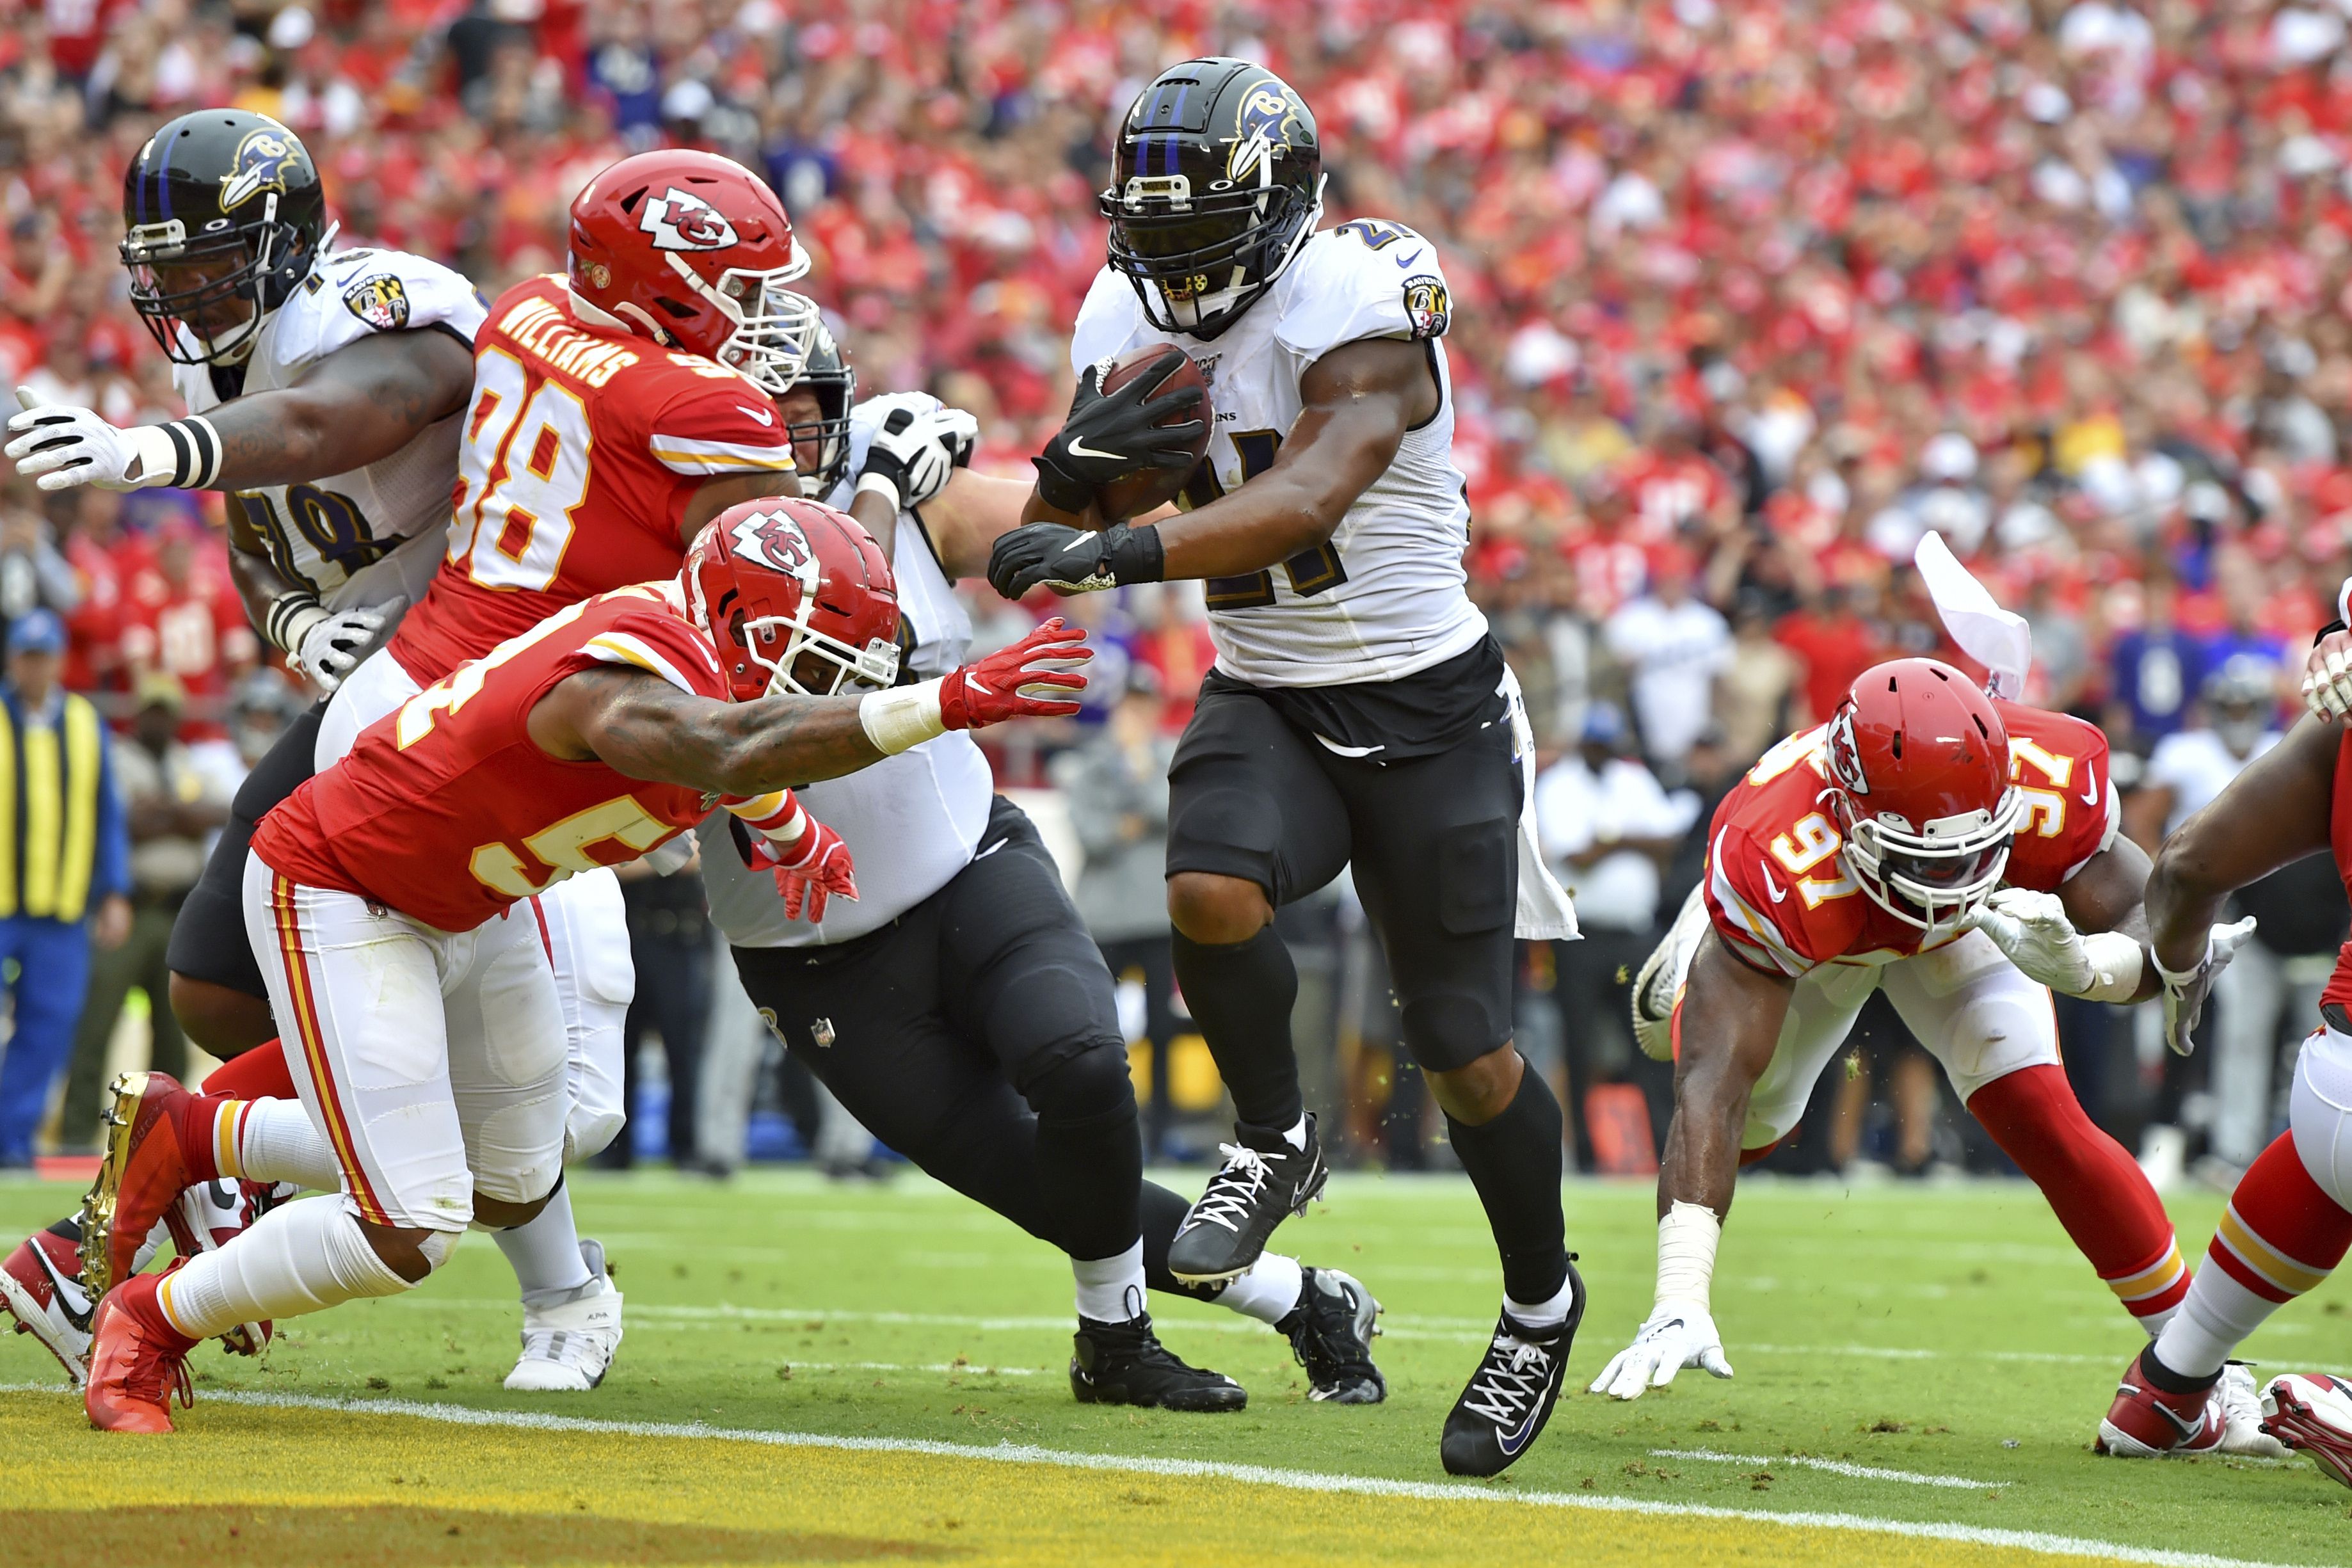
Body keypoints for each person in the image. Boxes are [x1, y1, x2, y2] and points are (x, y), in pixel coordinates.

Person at [79, 499, 1085, 1433]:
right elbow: (720, 745)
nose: (828, 689)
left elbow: (729, 748)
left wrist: (788, 833)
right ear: (743, 625)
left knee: (518, 1178)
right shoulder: (623, 675)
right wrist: (942, 701)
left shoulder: (698, 662)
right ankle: (147, 1323)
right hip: (344, 887)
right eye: (817, 663)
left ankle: (196, 1130)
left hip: (475, 899)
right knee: (409, 1229)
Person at [71, 145, 821, 1394]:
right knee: (494, 1142)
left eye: (213, 270)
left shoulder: (521, 314)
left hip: (457, 677)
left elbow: (371, 421)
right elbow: (301, 470)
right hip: (499, 712)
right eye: (736, 287)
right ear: (673, 291)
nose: (196, 298)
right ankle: (534, 1291)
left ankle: (205, 1140)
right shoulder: (695, 413)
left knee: (524, 1142)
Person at [984, 58, 1577, 1475]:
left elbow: (1309, 487)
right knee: (1204, 891)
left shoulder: (1366, 288)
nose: (1177, 272)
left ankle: (1536, 1308)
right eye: (1160, 238)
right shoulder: (1120, 303)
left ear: (1287, 207)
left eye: (1205, 240)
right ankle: (1273, 1136)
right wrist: (1069, 476)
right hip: (1269, 691)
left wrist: (1108, 543)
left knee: (1466, 1052)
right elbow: (1088, 494)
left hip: (1429, 704)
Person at [700, 304, 1383, 1411]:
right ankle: (1302, 1299)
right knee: (1033, 1178)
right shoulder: (662, 555)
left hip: (970, 865)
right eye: (758, 415)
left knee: (1078, 1064)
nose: (788, 434)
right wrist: (875, 486)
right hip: (816, 954)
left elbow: (1043, 541)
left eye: (806, 409)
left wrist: (1087, 472)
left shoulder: (898, 488)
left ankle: (1115, 1344)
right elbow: (821, 666)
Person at [1608, 658, 2276, 1450]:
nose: (1947, 879)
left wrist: (2092, 968)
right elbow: (1711, 1087)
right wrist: (1680, 1290)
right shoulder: (1778, 847)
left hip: (1979, 925)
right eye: (1928, 857)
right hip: (1835, 922)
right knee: (1756, 1116)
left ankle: (2198, 1368)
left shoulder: (2051, 772)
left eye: (1971, 846)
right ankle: (1705, 947)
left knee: (2037, 1110)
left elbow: (2150, 926)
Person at [2092, 598, 2352, 1485]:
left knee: (2324, 1167)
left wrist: (2171, 976)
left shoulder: (2329, 733)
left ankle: (2166, 1382)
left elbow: (2186, 864)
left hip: (2329, 1091)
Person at [60, 673, 230, 1143]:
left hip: (179, 909)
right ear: (139, 714)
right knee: (99, 1020)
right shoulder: (117, 757)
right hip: (130, 906)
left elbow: (216, 814)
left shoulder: (183, 760)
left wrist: (165, 811)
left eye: (166, 711)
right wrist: (181, 815)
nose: (160, 719)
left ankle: (164, 1138)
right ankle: (75, 1133)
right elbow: (125, 821)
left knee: (172, 1031)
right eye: (152, 710)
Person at [1533, 701, 1690, 1169]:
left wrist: (1612, 841)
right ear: (1584, 743)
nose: (1602, 752)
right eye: (1595, 743)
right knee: (1578, 1046)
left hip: (1632, 936)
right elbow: (1575, 855)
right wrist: (1630, 841)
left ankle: (1666, 1146)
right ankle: (1583, 1153)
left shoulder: (1632, 779)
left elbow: (1668, 839)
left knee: (1649, 1041)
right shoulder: (1559, 783)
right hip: (1580, 937)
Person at [0, 607, 131, 1165]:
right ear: (13, 660)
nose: (36, 668)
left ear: (57, 660)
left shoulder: (83, 721)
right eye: (27, 657)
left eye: (45, 656)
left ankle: (13, 1142)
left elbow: (108, 811)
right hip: (4, 905)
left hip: (63, 907)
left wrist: (115, 891)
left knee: (48, 1029)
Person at [1061, 664, 1181, 1156]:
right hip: (1105, 918)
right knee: (1094, 1031)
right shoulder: (1089, 763)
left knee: (1162, 1030)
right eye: (1129, 706)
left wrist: (1138, 775)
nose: (1136, 715)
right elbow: (1091, 834)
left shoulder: (1168, 758)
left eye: (1144, 706)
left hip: (1155, 916)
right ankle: (1098, 1124)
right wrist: (1131, 819)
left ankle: (1160, 1133)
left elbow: (1172, 812)